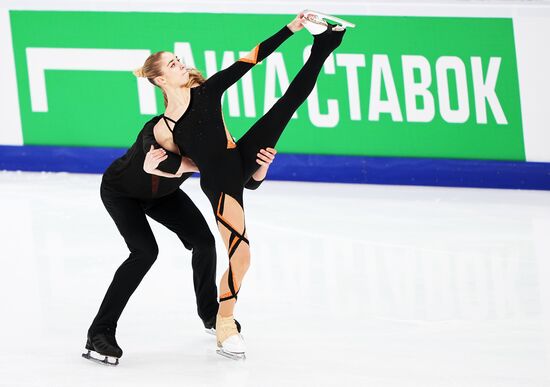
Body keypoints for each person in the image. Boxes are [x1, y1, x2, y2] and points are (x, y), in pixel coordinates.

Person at [134, 10, 352, 360]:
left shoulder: (206, 91)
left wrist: (292, 28)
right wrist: (152, 165)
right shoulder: (165, 127)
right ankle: (225, 321)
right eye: (173, 65)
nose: (181, 65)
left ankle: (325, 43)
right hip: (220, 183)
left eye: (178, 60)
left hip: (241, 158)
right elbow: (174, 166)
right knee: (242, 254)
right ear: (160, 80)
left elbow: (251, 58)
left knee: (287, 103)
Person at [82, 99, 278, 365]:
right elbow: (164, 163)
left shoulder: (213, 134)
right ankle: (99, 332)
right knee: (145, 252)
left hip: (162, 195)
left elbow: (243, 181)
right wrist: (214, 165)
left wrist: (260, 166)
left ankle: (211, 314)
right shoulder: (158, 128)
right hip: (122, 193)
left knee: (204, 243)